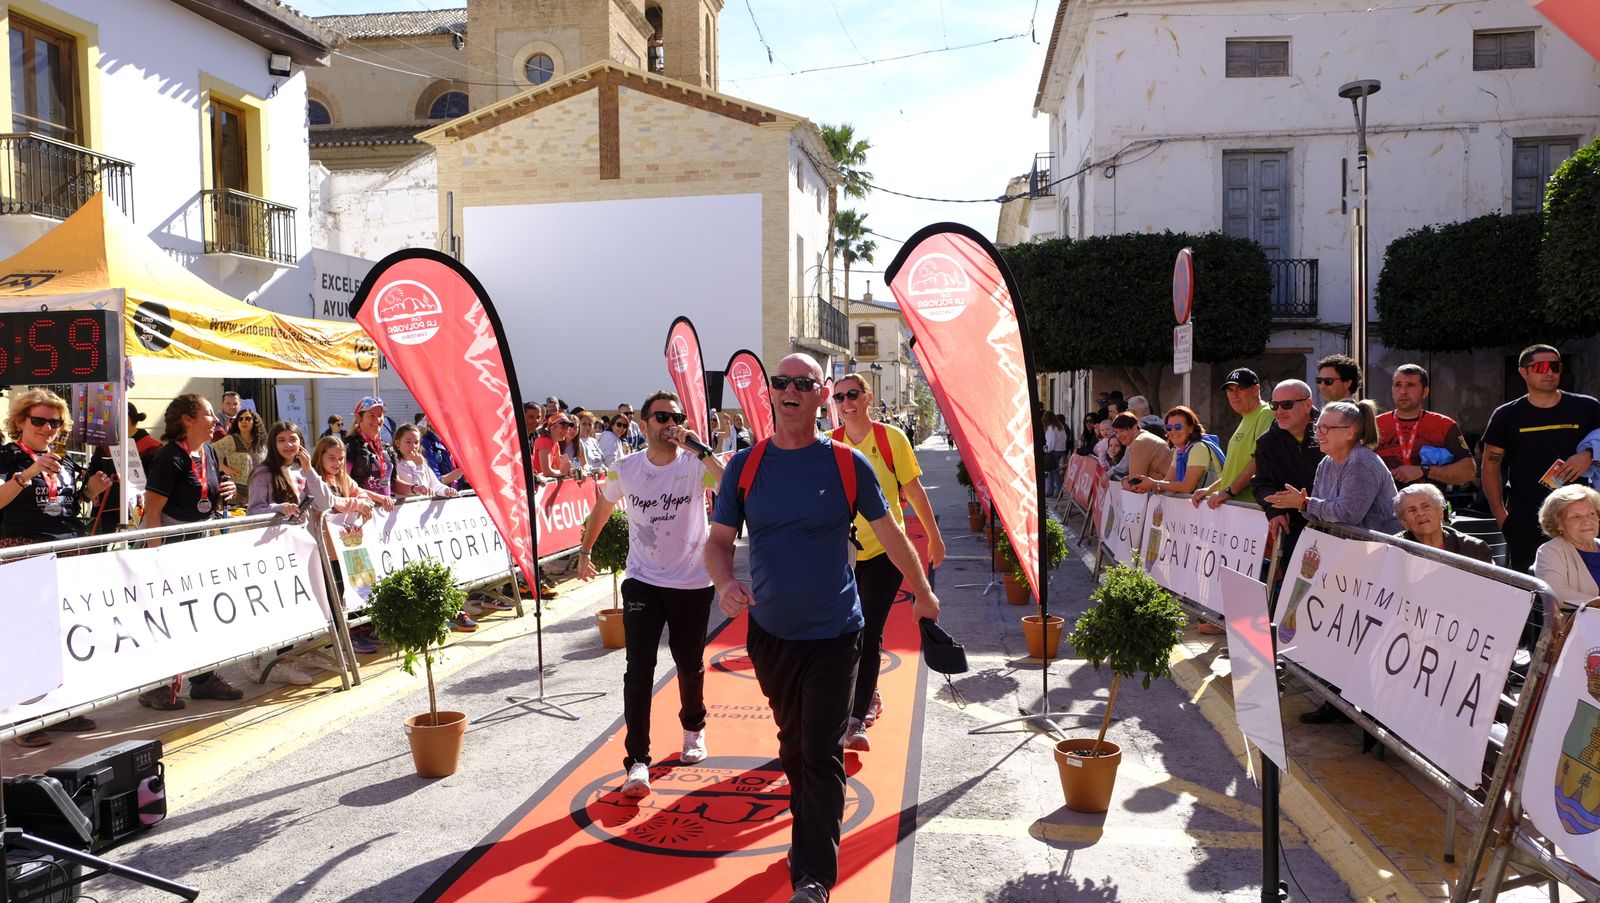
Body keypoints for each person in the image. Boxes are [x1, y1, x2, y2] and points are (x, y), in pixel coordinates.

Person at [706, 353, 940, 903]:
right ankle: (806, 831)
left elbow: (892, 532)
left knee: (820, 752)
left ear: (820, 394)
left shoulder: (846, 464)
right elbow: (718, 543)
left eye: (802, 383)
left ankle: (813, 876)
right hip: (770, 635)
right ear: (771, 393)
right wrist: (724, 583)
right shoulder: (745, 466)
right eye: (780, 382)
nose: (789, 389)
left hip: (836, 633)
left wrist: (924, 592)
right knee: (793, 746)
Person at [576, 391, 725, 798]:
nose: (670, 424)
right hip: (643, 580)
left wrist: (699, 448)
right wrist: (585, 552)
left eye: (676, 417)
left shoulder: (695, 465)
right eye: (661, 417)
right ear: (643, 426)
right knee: (638, 669)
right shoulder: (625, 469)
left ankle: (693, 729)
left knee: (689, 664)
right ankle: (637, 761)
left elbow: (730, 486)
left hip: (692, 581)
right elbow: (602, 508)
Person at [827, 373, 946, 752]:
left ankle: (856, 717)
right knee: (844, 633)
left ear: (867, 397)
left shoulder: (891, 439)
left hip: (886, 552)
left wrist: (934, 537)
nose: (846, 402)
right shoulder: (829, 443)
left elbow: (914, 491)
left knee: (868, 628)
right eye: (839, 397)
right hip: (844, 555)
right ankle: (869, 691)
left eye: (852, 394)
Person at [1, 389, 111, 748]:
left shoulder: (64, 462)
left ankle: (59, 708)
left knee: (61, 631)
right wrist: (28, 473)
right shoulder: (7, 456)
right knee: (26, 635)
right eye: (39, 421)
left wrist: (90, 491)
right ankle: (23, 717)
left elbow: (68, 505)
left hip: (66, 549)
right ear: (20, 422)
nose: (47, 428)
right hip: (24, 550)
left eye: (55, 423)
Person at [137, 393, 242, 710]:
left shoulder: (207, 451)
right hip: (168, 545)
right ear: (187, 420)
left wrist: (227, 489)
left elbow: (207, 491)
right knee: (166, 615)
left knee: (200, 612)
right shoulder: (169, 456)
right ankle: (155, 686)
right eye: (209, 413)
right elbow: (152, 511)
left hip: (199, 544)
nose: (215, 420)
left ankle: (203, 679)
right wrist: (156, 558)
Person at [1482, 345, 1600, 574]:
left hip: (1581, 514)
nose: (1549, 372)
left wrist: (1589, 455)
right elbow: (1490, 466)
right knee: (1532, 586)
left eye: (1555, 366)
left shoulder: (1587, 407)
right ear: (1523, 372)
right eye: (1540, 367)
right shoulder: (1506, 415)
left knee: (1587, 582)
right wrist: (1501, 516)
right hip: (1526, 517)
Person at [245, 421, 333, 685]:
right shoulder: (263, 473)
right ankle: (259, 658)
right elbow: (253, 511)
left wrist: (310, 471)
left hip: (301, 548)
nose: (288, 445)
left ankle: (287, 659)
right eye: (281, 440)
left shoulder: (302, 470)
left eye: (293, 439)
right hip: (273, 550)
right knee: (275, 605)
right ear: (273, 444)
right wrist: (278, 508)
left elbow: (325, 503)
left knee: (297, 605)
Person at [1264, 400, 1402, 534]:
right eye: (1317, 427)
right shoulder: (1326, 463)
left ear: (1349, 433)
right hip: (1350, 545)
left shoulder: (1362, 462)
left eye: (1325, 428)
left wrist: (1306, 503)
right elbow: (1316, 515)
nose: (1318, 434)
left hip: (1380, 547)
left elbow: (1347, 514)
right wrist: (1303, 504)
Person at [1251, 380, 1324, 558]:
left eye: (1286, 404)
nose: (1279, 411)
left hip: (1337, 530)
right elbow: (1262, 484)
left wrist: (1306, 503)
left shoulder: (1329, 431)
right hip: (1294, 532)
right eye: (1274, 405)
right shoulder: (1266, 442)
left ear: (1307, 405)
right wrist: (1274, 510)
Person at [1375, 364, 1476, 488]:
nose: (1403, 391)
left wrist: (1424, 470)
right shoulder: (1374, 425)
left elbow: (1468, 472)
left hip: (1430, 500)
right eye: (1398, 385)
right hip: (1386, 500)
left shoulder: (1444, 425)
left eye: (1410, 385)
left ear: (1425, 392)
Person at [1194, 369, 1274, 509]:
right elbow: (1235, 470)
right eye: (1230, 390)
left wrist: (1229, 492)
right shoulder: (1246, 417)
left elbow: (1260, 461)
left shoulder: (1266, 413)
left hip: (1250, 508)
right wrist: (1210, 489)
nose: (1234, 395)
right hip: (1236, 508)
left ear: (1256, 389)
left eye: (1241, 388)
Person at [1534, 484, 1600, 607]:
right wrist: (1596, 603)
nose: (1587, 521)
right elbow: (1556, 594)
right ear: (1558, 524)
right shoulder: (1550, 551)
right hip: (1580, 618)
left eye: (1591, 514)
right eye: (1576, 516)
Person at [1395, 483, 1493, 564]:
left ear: (1440, 513)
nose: (1420, 513)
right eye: (1412, 510)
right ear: (1404, 522)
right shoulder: (1393, 551)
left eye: (1426, 506)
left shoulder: (1475, 550)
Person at [1139, 406, 1222, 496]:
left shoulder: (1199, 448)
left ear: (1191, 428)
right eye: (1169, 427)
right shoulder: (1180, 450)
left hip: (1214, 503)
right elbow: (1167, 481)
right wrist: (1143, 485)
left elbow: (1187, 487)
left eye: (1178, 427)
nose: (1173, 431)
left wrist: (1154, 483)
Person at [345, 396, 397, 498]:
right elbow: (343, 481)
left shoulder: (385, 446)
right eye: (372, 415)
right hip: (362, 506)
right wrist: (377, 498)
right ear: (359, 418)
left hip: (385, 506)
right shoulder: (351, 444)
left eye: (380, 415)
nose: (377, 419)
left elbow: (395, 483)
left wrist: (414, 488)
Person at [212, 409, 266, 508]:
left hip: (257, 492)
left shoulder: (261, 443)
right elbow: (210, 452)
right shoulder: (231, 440)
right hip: (235, 494)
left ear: (255, 422)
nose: (243, 421)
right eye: (240, 419)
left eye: (248, 419)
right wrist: (226, 469)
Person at [394, 423, 461, 498]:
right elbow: (418, 490)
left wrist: (446, 490)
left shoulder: (421, 462)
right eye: (408, 442)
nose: (413, 446)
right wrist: (419, 466)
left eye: (416, 442)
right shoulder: (395, 464)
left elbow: (435, 485)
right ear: (397, 443)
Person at [1113, 412, 1170, 492]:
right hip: (1167, 490)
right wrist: (1126, 479)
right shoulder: (1142, 437)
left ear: (1134, 428)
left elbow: (1136, 484)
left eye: (1122, 430)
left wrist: (1125, 480)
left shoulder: (1140, 441)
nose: (1118, 435)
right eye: (1116, 432)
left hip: (1169, 492)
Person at [1043, 413, 1069, 498]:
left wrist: (1047, 450)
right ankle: (1050, 490)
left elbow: (1051, 441)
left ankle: (1057, 491)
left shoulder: (1050, 427)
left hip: (1054, 450)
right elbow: (1064, 438)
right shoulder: (1060, 426)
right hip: (1061, 449)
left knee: (1054, 471)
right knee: (1052, 470)